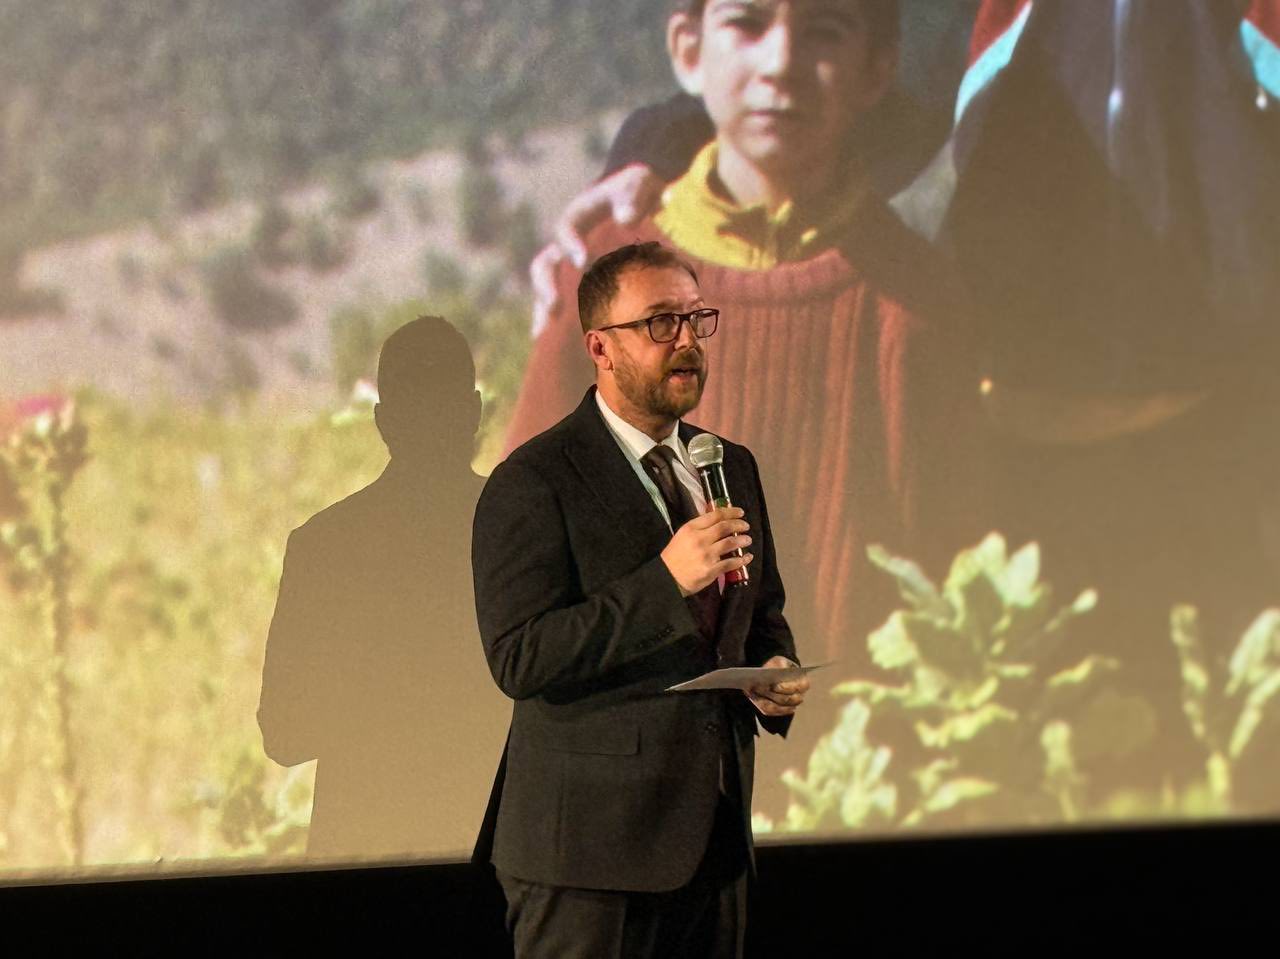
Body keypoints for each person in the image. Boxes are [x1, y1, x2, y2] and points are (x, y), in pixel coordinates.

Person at [505, 0, 981, 687]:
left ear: (877, 71)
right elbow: (522, 556)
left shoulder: (915, 301)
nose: (781, 62)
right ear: (688, 50)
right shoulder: (604, 282)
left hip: (852, 732)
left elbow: (950, 567)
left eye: (824, 31)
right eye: (748, 23)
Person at [472, 242, 808, 957]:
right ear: (600, 346)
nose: (687, 341)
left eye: (696, 319)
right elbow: (520, 656)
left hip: (714, 844)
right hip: (587, 861)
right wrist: (665, 582)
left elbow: (759, 611)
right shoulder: (534, 479)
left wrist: (774, 667)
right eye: (660, 322)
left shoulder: (729, 463)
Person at [257, 316, 509, 860]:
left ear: (382, 422)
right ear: (474, 413)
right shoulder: (525, 531)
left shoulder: (322, 546)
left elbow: (283, 732)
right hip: (499, 854)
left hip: (362, 859)